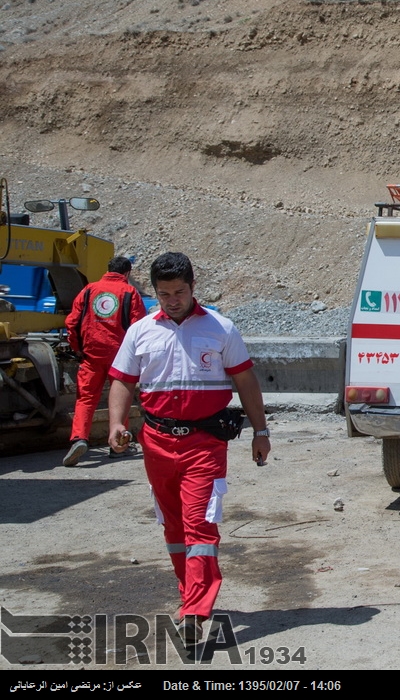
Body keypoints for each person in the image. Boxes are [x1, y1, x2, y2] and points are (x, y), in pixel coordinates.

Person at [106, 252, 270, 644]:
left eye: (179, 291)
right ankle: (189, 598)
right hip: (157, 442)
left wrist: (260, 431)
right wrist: (115, 423)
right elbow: (123, 381)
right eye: (164, 294)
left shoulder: (221, 329)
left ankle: (196, 612)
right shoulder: (141, 331)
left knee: (200, 524)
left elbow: (245, 382)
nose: (173, 299)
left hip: (204, 443)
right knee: (174, 526)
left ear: (193, 287)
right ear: (155, 293)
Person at [62, 256, 147, 467]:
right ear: (126, 273)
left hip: (92, 354)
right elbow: (139, 326)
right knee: (121, 398)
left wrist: (78, 348)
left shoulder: (89, 290)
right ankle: (118, 445)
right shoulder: (130, 292)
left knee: (86, 398)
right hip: (120, 356)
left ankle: (79, 438)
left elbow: (72, 322)